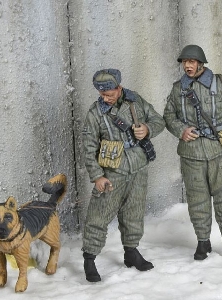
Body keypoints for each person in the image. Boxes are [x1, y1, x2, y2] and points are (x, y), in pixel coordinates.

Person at [163, 45, 222, 262]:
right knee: (197, 199)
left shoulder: (219, 83)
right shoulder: (178, 89)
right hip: (191, 153)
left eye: (191, 62)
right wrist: (181, 130)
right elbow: (169, 115)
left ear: (201, 63)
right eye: (185, 62)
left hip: (218, 150)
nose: (187, 66)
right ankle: (203, 241)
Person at [81, 68, 165, 282]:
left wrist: (146, 129)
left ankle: (131, 251)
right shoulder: (95, 114)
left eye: (110, 93)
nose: (106, 98)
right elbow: (88, 147)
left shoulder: (135, 102)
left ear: (119, 88)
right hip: (112, 171)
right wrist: (98, 176)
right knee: (98, 214)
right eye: (102, 95)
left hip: (137, 166)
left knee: (134, 211)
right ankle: (89, 259)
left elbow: (158, 120)